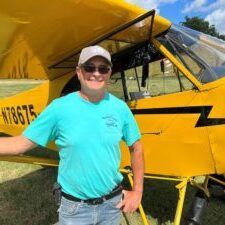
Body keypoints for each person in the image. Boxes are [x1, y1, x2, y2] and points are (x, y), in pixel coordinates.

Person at [0, 45, 144, 225]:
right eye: (89, 68)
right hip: (75, 209)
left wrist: (137, 191)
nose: (96, 73)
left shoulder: (121, 108)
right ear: (78, 71)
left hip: (111, 206)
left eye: (103, 68)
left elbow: (136, 148)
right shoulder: (58, 108)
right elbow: (19, 144)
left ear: (109, 73)